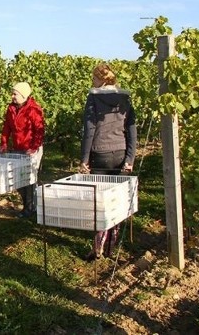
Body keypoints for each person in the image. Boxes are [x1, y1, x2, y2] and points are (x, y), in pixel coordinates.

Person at [80, 63, 137, 261]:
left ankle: (98, 248)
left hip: (100, 155)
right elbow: (131, 130)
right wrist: (130, 158)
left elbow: (89, 130)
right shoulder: (124, 98)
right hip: (120, 153)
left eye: (94, 78)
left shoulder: (94, 97)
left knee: (100, 203)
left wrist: (84, 159)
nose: (92, 81)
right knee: (116, 201)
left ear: (101, 79)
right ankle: (112, 246)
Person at [0, 82, 45, 218]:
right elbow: (7, 127)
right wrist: (4, 143)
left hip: (31, 149)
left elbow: (39, 130)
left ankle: (30, 209)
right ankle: (29, 206)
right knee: (18, 179)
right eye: (12, 93)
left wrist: (34, 147)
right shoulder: (11, 108)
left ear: (24, 95)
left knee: (29, 180)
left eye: (15, 94)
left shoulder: (34, 109)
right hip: (17, 148)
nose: (12, 96)